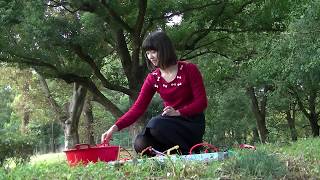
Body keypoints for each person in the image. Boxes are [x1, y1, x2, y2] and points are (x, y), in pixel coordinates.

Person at [101, 31, 208, 155]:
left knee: (155, 124)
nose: (150, 56)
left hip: (191, 123)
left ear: (165, 50)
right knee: (140, 143)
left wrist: (178, 112)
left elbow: (201, 102)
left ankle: (192, 151)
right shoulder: (153, 78)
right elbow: (137, 109)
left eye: (153, 51)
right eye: (147, 53)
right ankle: (174, 156)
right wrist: (114, 128)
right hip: (169, 126)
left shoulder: (189, 69)